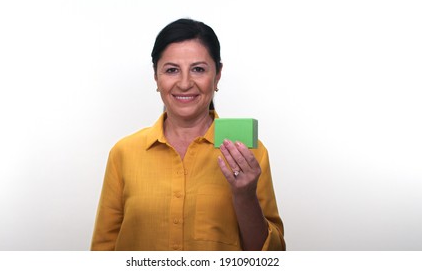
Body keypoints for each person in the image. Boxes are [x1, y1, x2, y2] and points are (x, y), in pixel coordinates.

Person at [91, 18, 286, 251]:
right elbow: (103, 248)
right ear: (156, 77)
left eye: (198, 69)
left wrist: (245, 196)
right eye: (172, 70)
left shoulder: (249, 151)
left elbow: (272, 255)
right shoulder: (123, 153)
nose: (184, 83)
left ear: (218, 75)